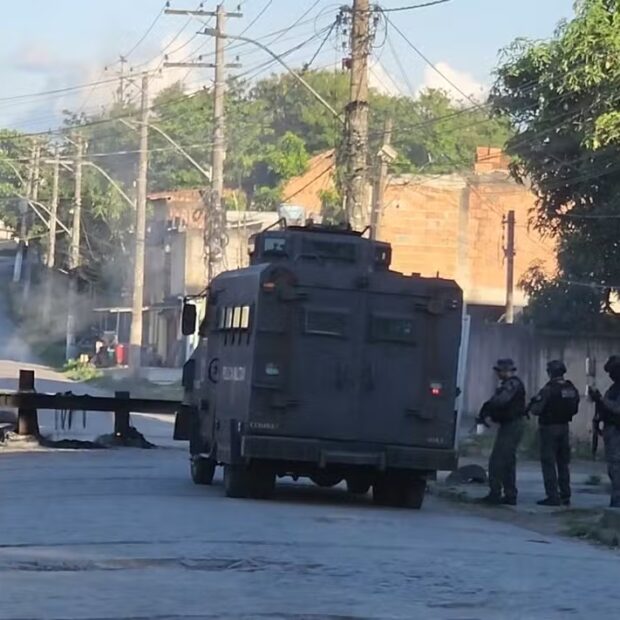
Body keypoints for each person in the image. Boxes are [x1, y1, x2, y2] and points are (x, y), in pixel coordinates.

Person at [528, 360, 580, 506]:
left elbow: (536, 410)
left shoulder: (548, 389)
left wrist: (532, 404)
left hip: (549, 428)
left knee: (548, 462)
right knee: (563, 463)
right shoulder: (571, 388)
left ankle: (552, 496)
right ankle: (565, 495)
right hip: (564, 427)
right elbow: (575, 409)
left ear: (550, 372)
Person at [477, 358, 527, 505]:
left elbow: (501, 401)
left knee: (497, 461)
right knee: (508, 461)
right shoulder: (509, 384)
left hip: (512, 425)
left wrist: (488, 407)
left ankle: (495, 493)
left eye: (499, 371)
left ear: (506, 371)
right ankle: (510, 495)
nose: (498, 374)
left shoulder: (512, 384)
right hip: (510, 425)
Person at [589, 355, 620, 508]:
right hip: (611, 429)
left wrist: (601, 400)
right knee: (613, 467)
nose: (611, 375)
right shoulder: (614, 388)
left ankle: (617, 500)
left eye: (613, 371)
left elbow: (617, 409)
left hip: (616, 430)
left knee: (616, 466)